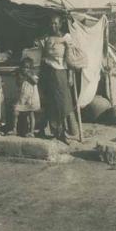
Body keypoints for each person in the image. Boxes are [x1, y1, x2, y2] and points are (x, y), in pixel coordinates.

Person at [37, 15, 75, 144]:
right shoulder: (47, 38)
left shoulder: (66, 38)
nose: (53, 26)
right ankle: (55, 131)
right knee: (50, 102)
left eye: (55, 23)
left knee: (63, 103)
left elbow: (69, 59)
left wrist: (70, 75)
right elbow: (43, 57)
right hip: (48, 72)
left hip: (61, 72)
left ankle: (64, 131)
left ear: (60, 24)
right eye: (51, 23)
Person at [10, 57, 40, 137]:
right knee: (15, 111)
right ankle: (14, 129)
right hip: (22, 98)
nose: (25, 69)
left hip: (30, 98)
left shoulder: (33, 76)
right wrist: (20, 78)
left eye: (27, 67)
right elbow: (18, 84)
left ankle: (31, 131)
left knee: (30, 115)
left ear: (30, 68)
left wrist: (29, 75)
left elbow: (35, 81)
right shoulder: (21, 77)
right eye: (23, 67)